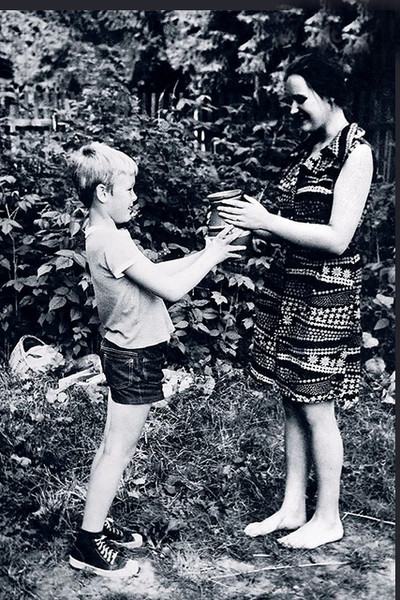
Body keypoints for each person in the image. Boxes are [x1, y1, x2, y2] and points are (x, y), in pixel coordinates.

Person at [217, 52, 374, 550]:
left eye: (300, 99)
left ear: (330, 94)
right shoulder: (307, 149)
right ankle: (293, 507)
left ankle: (329, 517)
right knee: (292, 396)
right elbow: (286, 223)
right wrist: (241, 225)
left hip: (325, 293)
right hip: (289, 286)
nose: (292, 109)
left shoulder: (356, 152)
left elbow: (337, 237)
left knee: (317, 405)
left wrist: (267, 222)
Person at [68, 141, 245, 576]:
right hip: (132, 356)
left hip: (127, 352)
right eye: (128, 189)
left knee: (112, 446)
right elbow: (172, 289)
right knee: (118, 450)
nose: (134, 197)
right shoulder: (110, 240)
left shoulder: (107, 236)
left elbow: (156, 274)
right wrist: (213, 257)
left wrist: (204, 253)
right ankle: (88, 544)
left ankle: (96, 521)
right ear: (103, 193)